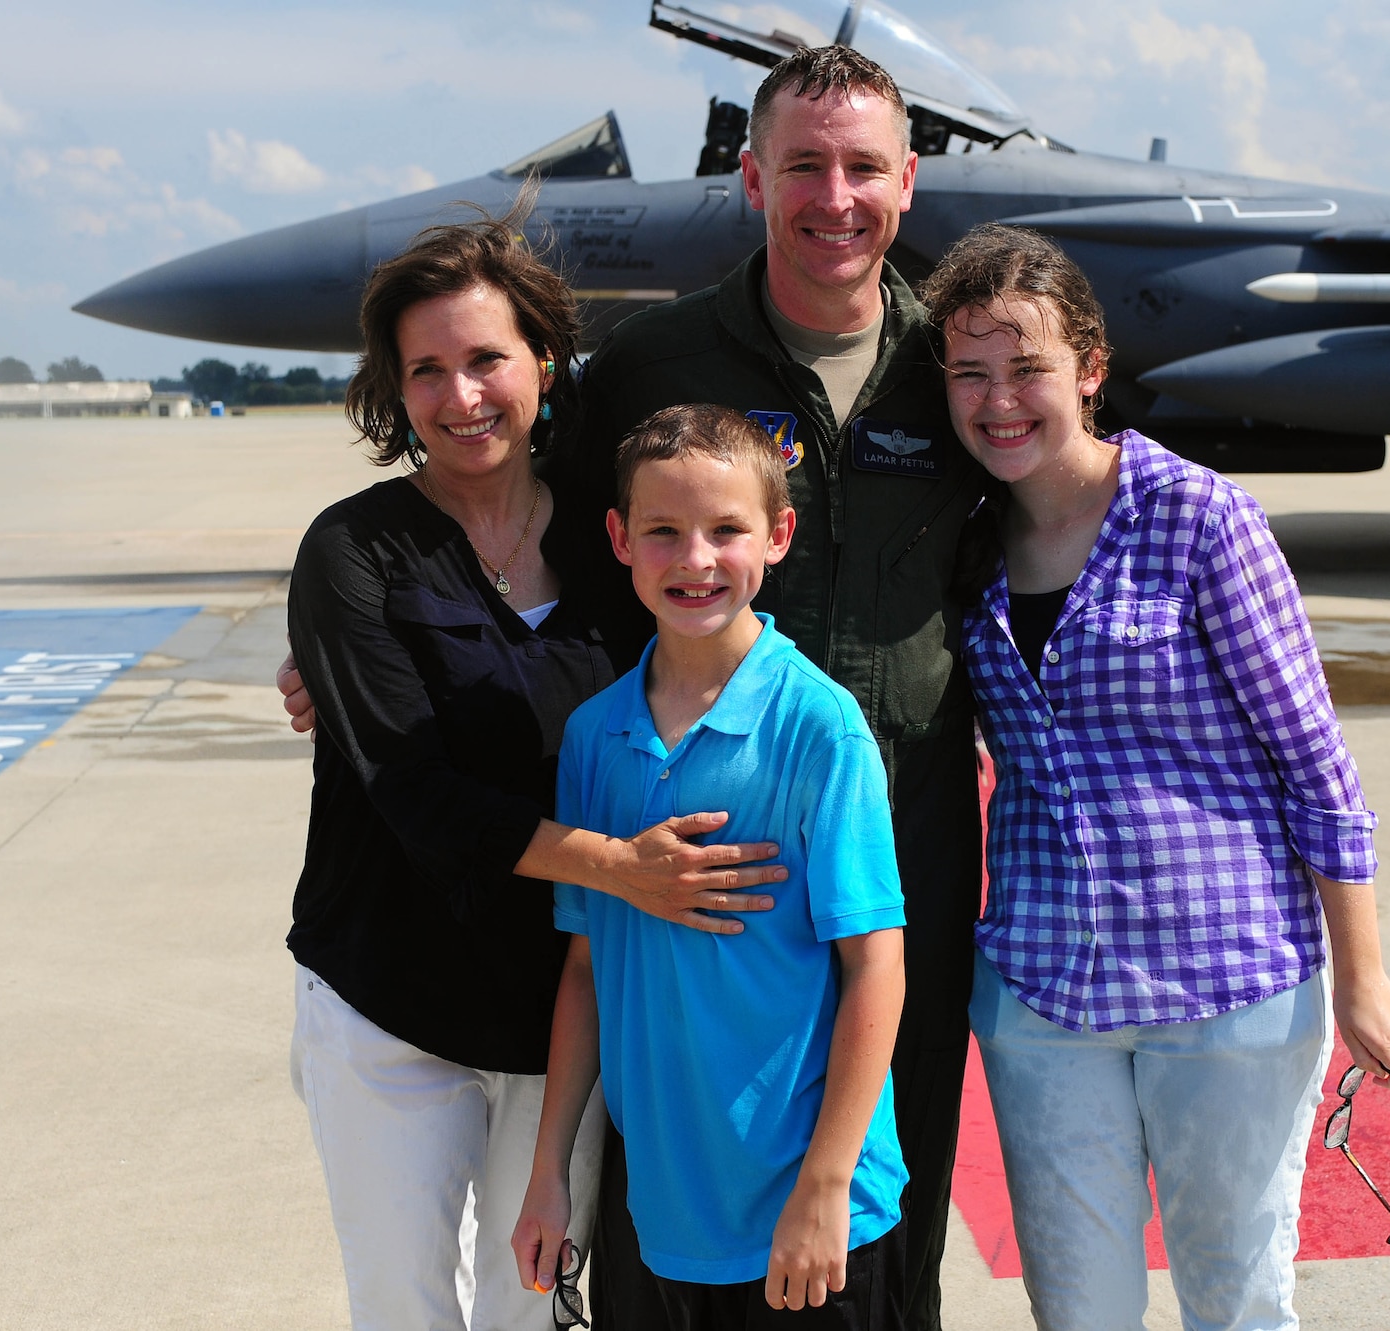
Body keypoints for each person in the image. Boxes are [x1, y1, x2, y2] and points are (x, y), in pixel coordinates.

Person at [284, 206, 787, 1331]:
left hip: (570, 1011)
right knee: (405, 1304)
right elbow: (413, 793)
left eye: (485, 359)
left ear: (544, 364)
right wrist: (618, 865)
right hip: (389, 1002)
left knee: (540, 1310)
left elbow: (728, 640)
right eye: (428, 370)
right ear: (394, 390)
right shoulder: (353, 552)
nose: (461, 396)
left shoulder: (625, 543)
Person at [921, 223, 1390, 1331]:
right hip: (1043, 989)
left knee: (1232, 1298)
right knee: (1076, 1310)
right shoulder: (960, 542)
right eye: (969, 373)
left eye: (1027, 367)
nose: (999, 399)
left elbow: (1313, 758)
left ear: (1088, 369)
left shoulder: (1198, 518)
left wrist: (1361, 970)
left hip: (1226, 981)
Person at [564, 47, 984, 1331]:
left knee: (885, 1164)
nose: (834, 196)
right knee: (694, 1157)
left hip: (903, 825)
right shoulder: (651, 360)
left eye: (864, 166)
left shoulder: (958, 366)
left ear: (909, 181)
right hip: (713, 847)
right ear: (752, 177)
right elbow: (540, 538)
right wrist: (346, 640)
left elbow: (1068, 510)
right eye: (802, 164)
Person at [513, 404, 909, 1330]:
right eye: (664, 531)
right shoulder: (593, 737)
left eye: (726, 529)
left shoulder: (820, 726)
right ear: (619, 539)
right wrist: (547, 1175)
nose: (695, 558)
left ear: (778, 536)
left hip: (813, 1215)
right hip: (665, 1210)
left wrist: (825, 1183)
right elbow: (585, 969)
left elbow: (875, 966)